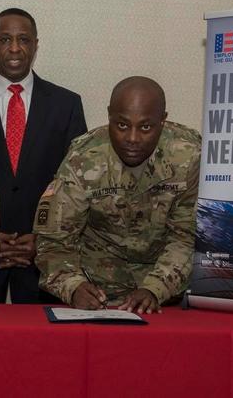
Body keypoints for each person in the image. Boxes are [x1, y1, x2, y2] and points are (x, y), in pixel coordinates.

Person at [0, 8, 87, 303]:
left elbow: (76, 186)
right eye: (5, 39)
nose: (14, 48)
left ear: (36, 44)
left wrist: (44, 240)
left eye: (23, 39)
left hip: (44, 260)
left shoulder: (66, 105)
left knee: (45, 346)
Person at [34, 76, 201, 314]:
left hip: (165, 293)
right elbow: (53, 241)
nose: (132, 138)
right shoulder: (84, 158)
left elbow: (187, 238)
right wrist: (73, 287)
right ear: (109, 115)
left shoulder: (188, 156)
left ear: (163, 121)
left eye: (145, 127)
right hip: (96, 293)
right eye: (122, 125)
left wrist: (155, 288)